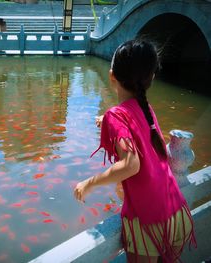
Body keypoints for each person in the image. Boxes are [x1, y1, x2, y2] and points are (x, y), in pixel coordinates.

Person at [73, 39, 196, 263]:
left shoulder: (116, 115)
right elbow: (135, 128)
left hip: (147, 221)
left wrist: (89, 182)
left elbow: (131, 164)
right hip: (175, 210)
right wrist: (106, 119)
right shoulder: (145, 108)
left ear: (112, 76)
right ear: (152, 78)